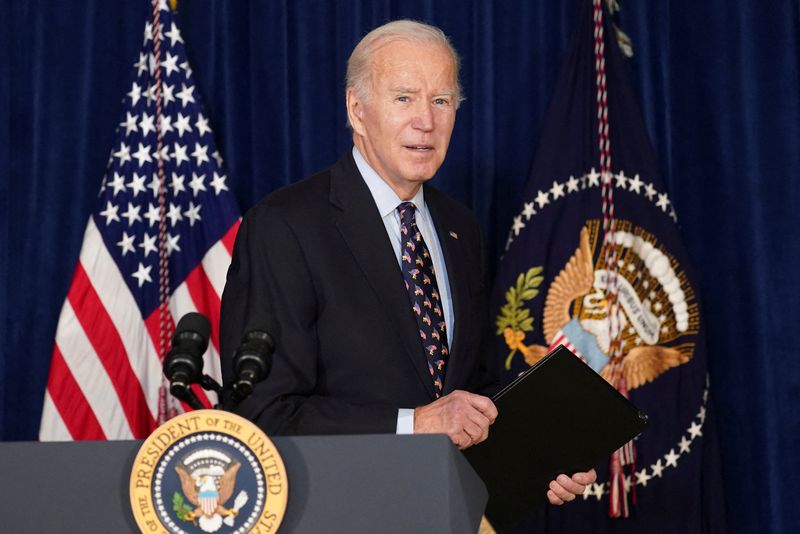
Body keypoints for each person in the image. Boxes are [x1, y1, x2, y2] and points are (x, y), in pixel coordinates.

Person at [220, 19, 595, 506]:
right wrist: (414, 424)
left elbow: (469, 393)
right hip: (338, 513)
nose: (426, 121)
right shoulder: (285, 227)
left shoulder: (460, 228)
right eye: (404, 99)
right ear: (357, 110)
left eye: (441, 101)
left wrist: (542, 454)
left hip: (447, 511)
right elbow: (261, 413)